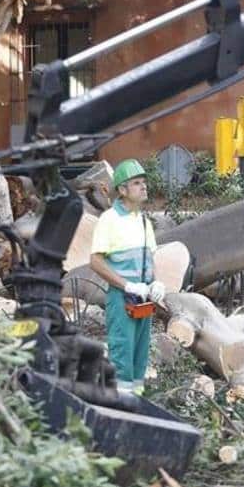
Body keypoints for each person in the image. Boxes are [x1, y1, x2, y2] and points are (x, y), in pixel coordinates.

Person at [90, 159, 166, 395]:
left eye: (144, 182)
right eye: (136, 183)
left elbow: (150, 258)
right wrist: (127, 285)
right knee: (122, 353)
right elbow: (95, 261)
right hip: (122, 298)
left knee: (140, 356)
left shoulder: (143, 220)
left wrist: (156, 282)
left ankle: (137, 401)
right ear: (122, 190)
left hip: (143, 298)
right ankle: (121, 405)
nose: (143, 187)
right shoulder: (109, 220)